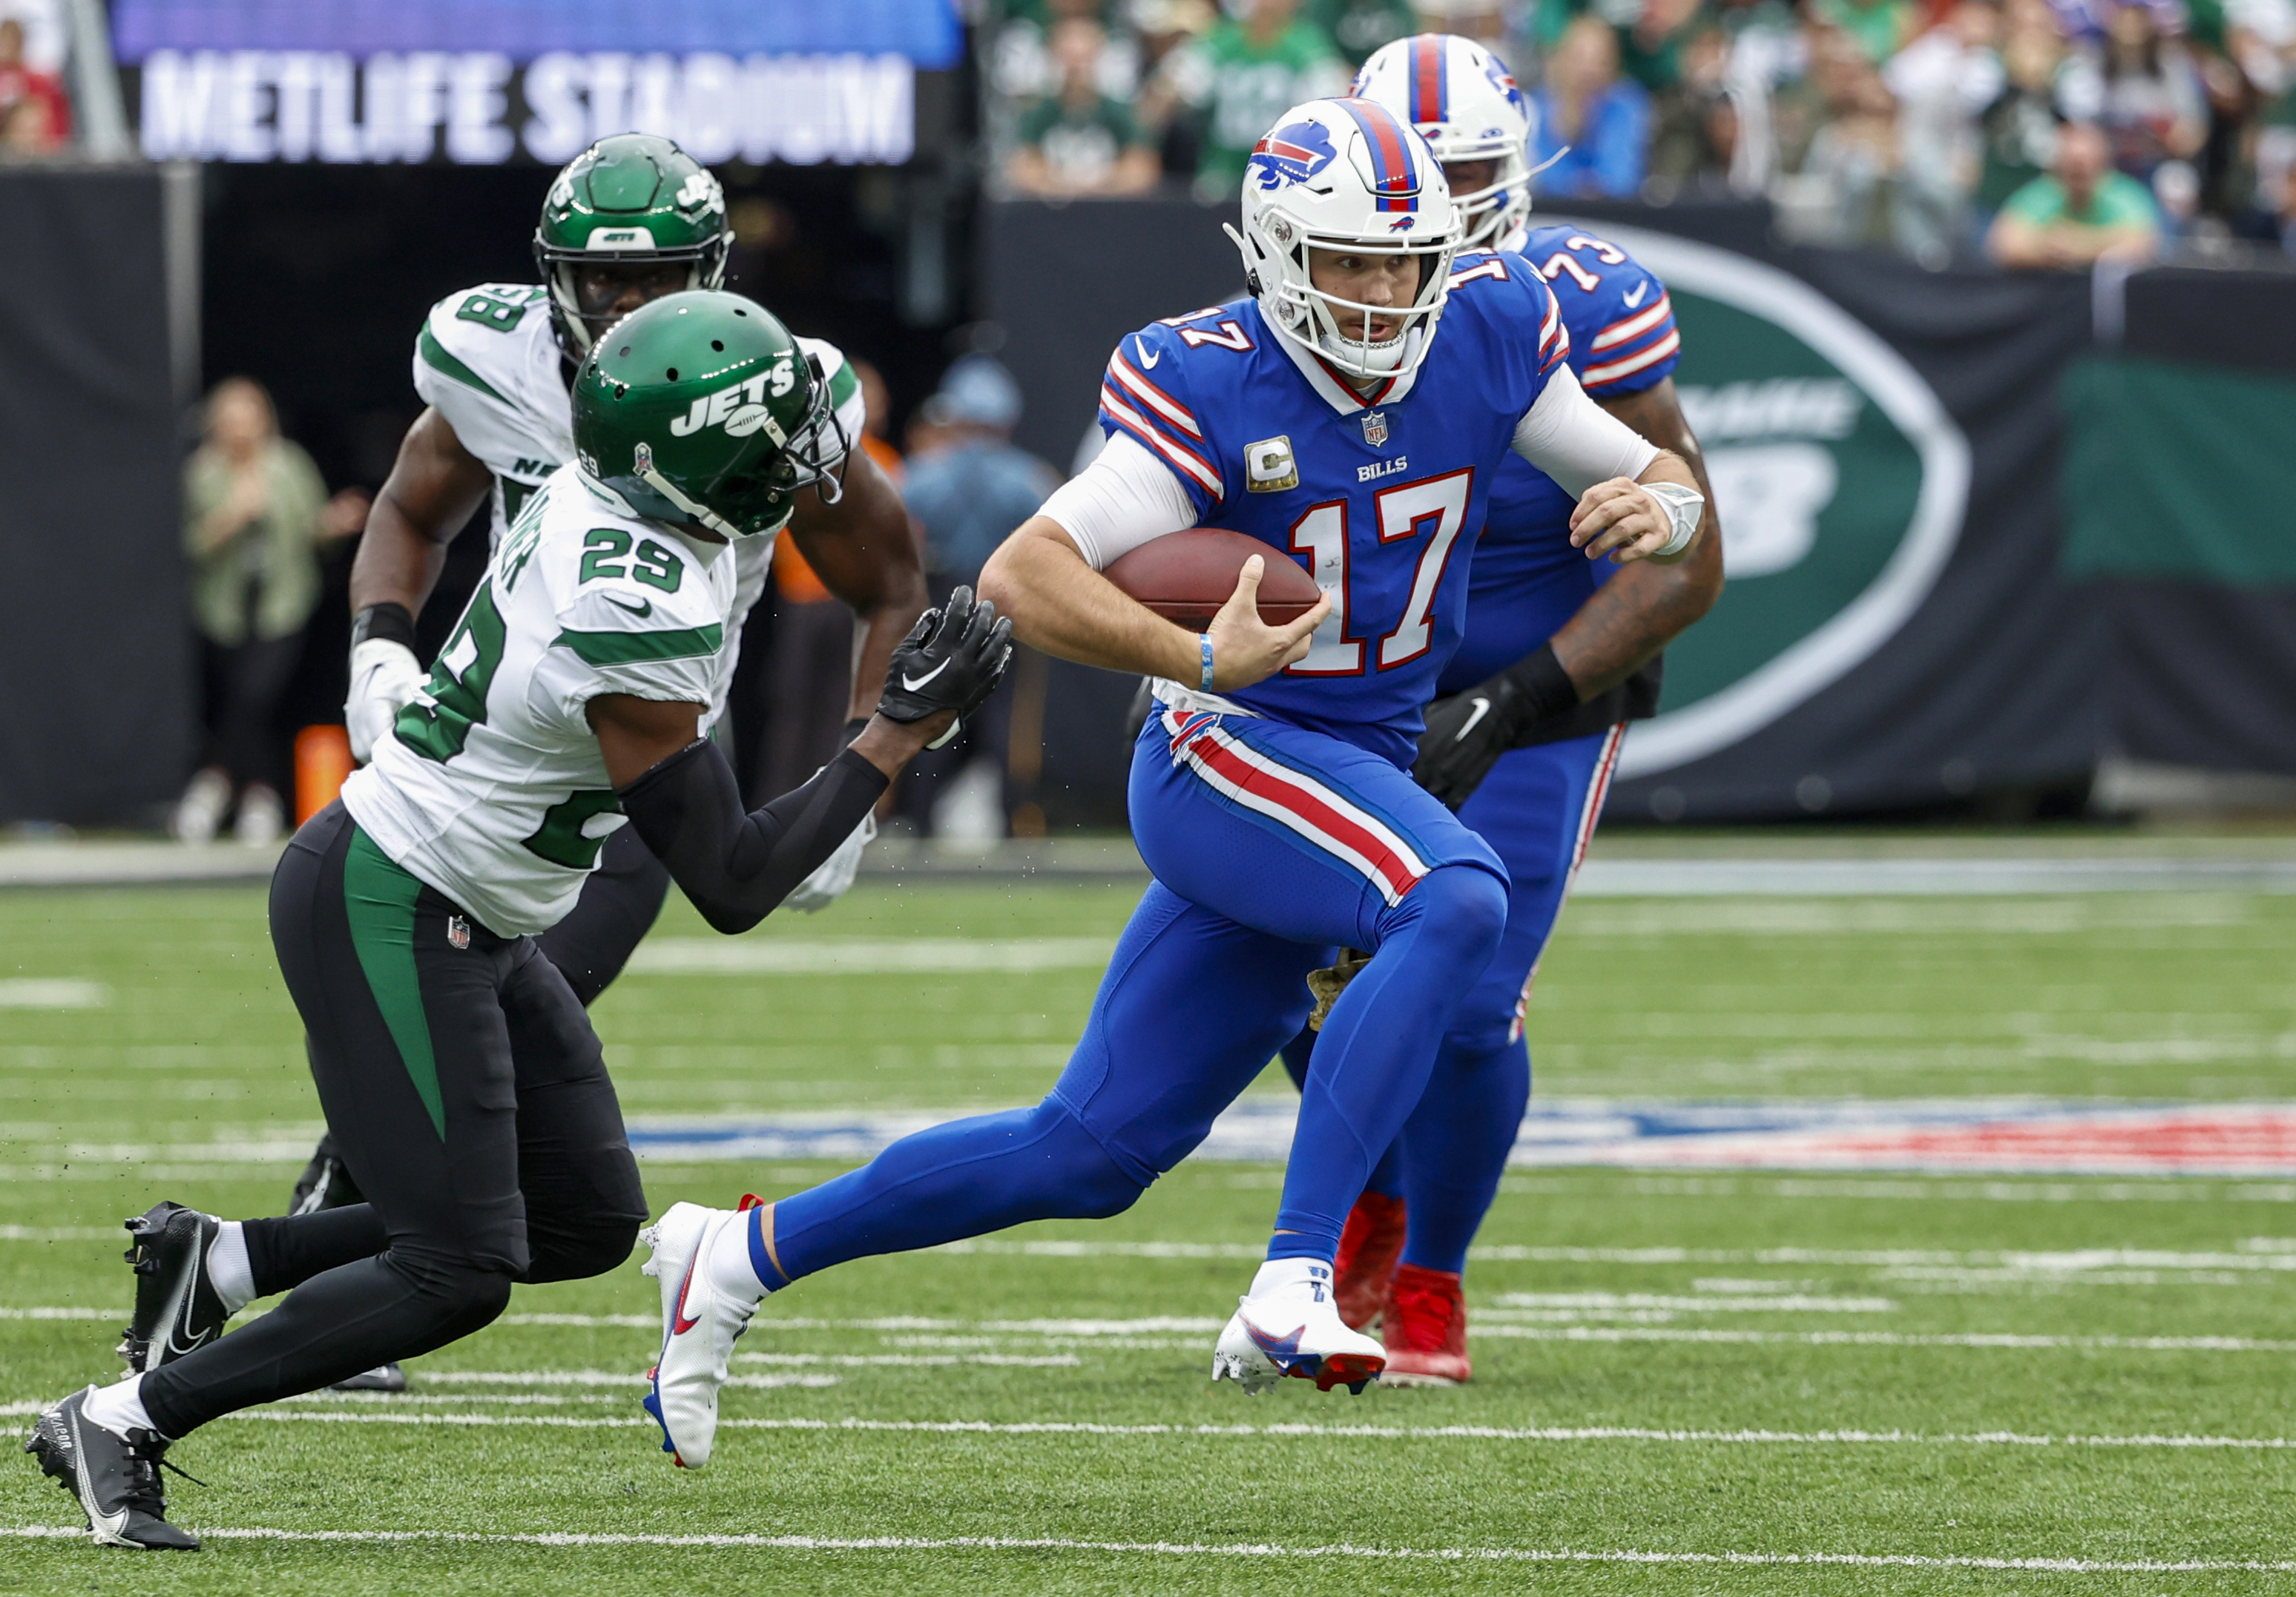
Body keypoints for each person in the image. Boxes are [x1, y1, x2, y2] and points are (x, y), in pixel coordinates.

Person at [635, 96, 1704, 1471]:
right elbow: (1027, 574)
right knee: (1456, 895)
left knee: (1088, 1150)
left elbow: (1655, 475)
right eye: (1348, 261)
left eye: (1403, 259)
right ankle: (1296, 1274)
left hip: (1357, 757)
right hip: (1230, 752)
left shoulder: (1494, 324)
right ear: (1271, 250)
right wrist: (1199, 649)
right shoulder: (1207, 373)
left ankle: (738, 1254)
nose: (1383, 294)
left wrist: (1656, 506)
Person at [24, 292, 1013, 1552]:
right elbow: (733, 880)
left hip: (476, 912)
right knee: (456, 1269)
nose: (804, 463)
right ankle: (125, 1413)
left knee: (587, 1216)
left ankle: (221, 1261)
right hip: (393, 896)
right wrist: (898, 733)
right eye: (777, 444)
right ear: (700, 458)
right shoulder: (633, 601)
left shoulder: (644, 496)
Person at [290, 134, 932, 1392]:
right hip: (514, 724)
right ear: (550, 277)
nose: (628, 309)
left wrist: (865, 780)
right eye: (599, 282)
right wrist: (377, 648)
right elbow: (414, 508)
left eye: (657, 280)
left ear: (718, 271)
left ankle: (329, 1226)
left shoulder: (767, 380)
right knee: (485, 995)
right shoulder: (493, 356)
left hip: (661, 712)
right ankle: (347, 1216)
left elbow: (893, 582)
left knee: (539, 1002)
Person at [1280, 33, 1724, 1384]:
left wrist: (1518, 697)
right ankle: (1372, 1195)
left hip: (1541, 690)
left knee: (1469, 1005)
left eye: (1469, 170)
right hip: (1357, 690)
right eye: (1421, 169)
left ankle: (1426, 1273)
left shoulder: (1582, 302)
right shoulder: (1306, 294)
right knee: (1300, 997)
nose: (1446, 202)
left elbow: (1687, 555)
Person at [174, 379, 366, 846]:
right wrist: (232, 516)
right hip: (223, 609)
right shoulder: (203, 473)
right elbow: (189, 546)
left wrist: (336, 522)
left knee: (255, 696)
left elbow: (311, 528)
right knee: (242, 702)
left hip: (283, 604)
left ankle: (214, 786)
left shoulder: (289, 466)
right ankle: (258, 794)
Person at [895, 355, 1062, 837]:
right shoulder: (1028, 476)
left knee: (932, 704)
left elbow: (897, 535)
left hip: (943, 600)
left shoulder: (921, 473)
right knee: (1007, 715)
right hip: (1007, 604)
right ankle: (1013, 818)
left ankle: (919, 817)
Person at [1148, 0, 1349, 199]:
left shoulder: (1309, 46)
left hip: (1284, 174)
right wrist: (1144, 145)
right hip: (1221, 171)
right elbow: (1165, 94)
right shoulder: (1220, 40)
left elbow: (1333, 110)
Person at [1007, 16, 1164, 195]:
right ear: (1053, 55)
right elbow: (1023, 169)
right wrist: (1062, 185)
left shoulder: (1120, 113)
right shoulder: (1037, 112)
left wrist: (1098, 185)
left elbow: (1142, 170)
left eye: (1083, 58)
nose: (1076, 66)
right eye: (1069, 57)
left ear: (1098, 54)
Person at [1987, 118, 2162, 263]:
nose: (2080, 171)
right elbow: (2004, 244)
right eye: (2072, 164)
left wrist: (2077, 245)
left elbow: (2144, 244)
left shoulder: (2125, 195)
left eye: (2087, 163)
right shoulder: (2039, 195)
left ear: (2103, 163)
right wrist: (2045, 250)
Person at [1530, 16, 1654, 199]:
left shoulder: (1628, 105)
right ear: (1559, 60)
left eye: (1600, 60)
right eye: (1579, 58)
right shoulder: (1535, 107)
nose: (1588, 70)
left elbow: (1621, 178)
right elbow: (1541, 174)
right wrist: (1565, 126)